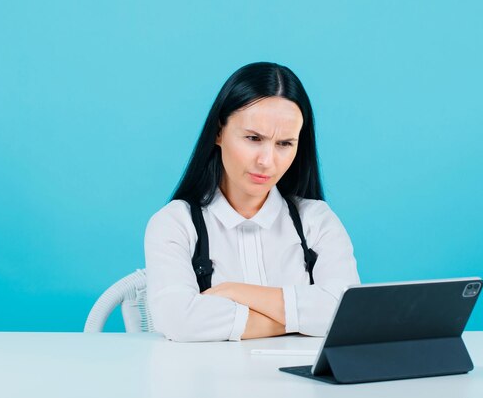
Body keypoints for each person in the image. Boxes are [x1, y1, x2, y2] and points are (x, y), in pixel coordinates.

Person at [144, 62, 360, 342]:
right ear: (219, 132)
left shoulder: (317, 220)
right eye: (253, 138)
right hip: (209, 384)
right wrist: (297, 320)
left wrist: (237, 292)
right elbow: (180, 320)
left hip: (299, 386)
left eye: (284, 144)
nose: (267, 161)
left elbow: (347, 311)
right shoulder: (175, 223)